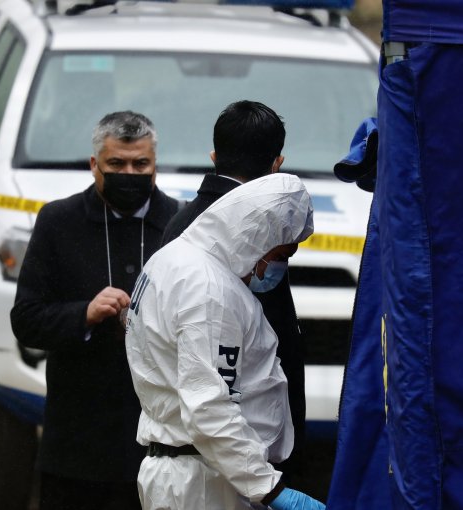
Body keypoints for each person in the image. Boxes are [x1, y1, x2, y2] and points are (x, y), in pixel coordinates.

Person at [10, 111, 179, 510]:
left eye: (141, 164)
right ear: (93, 165)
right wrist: (84, 314)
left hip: (159, 445)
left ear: (155, 165)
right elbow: (26, 320)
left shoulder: (180, 224)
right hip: (76, 442)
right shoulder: (58, 222)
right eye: (117, 164)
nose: (130, 173)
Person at [126, 173, 325, 510]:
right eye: (282, 253)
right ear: (261, 237)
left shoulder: (175, 259)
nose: (280, 266)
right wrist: (271, 489)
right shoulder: (210, 292)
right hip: (204, 484)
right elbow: (209, 409)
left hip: (200, 473)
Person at [160, 100, 308, 482]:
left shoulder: (181, 223)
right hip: (233, 451)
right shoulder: (229, 230)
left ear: (214, 156)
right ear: (278, 164)